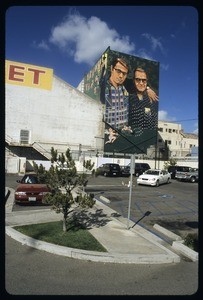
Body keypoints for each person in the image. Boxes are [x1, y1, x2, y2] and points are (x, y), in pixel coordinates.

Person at [128, 67, 158, 137]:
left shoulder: (150, 100)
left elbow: (151, 121)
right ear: (133, 81)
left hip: (146, 140)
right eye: (138, 80)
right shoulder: (129, 98)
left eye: (144, 80)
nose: (141, 83)